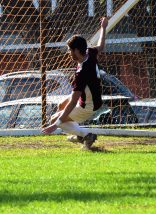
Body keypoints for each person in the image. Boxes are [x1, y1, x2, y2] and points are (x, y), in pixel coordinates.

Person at [42, 17, 108, 150]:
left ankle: (85, 135)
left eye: (70, 50)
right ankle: (78, 134)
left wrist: (56, 125)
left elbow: (73, 101)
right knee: (61, 106)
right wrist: (103, 28)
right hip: (92, 98)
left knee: (55, 119)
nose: (68, 53)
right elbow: (101, 46)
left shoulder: (82, 73)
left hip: (88, 106)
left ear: (77, 50)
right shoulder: (90, 53)